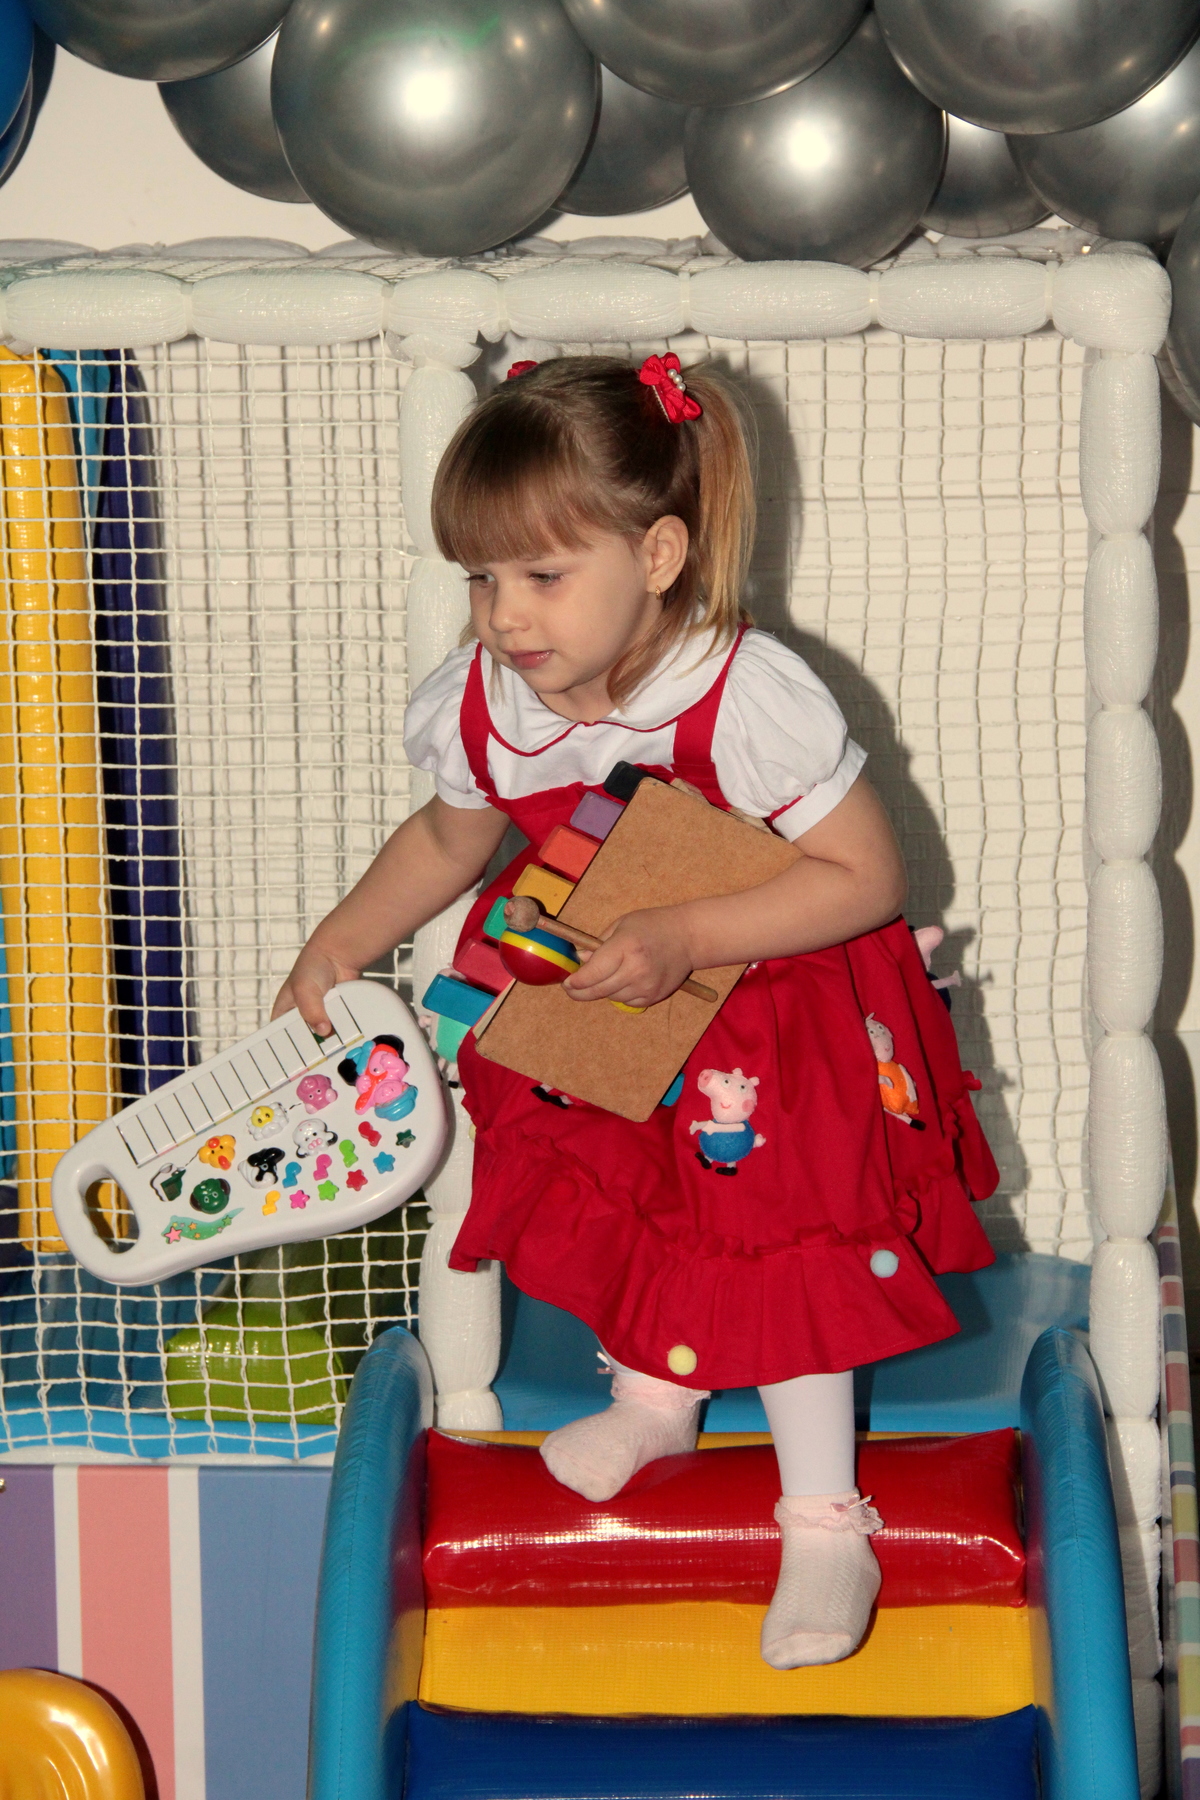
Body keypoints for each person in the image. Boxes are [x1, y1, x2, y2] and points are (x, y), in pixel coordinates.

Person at [274, 354, 998, 1671]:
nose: (504, 616)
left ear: (658, 554)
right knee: (630, 1184)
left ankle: (826, 1512)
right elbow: (449, 841)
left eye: (543, 577)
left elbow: (866, 877)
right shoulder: (494, 703)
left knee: (779, 1236)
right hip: (607, 992)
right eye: (482, 579)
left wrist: (688, 934)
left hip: (774, 1014)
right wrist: (339, 942)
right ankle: (657, 1397)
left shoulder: (744, 692)